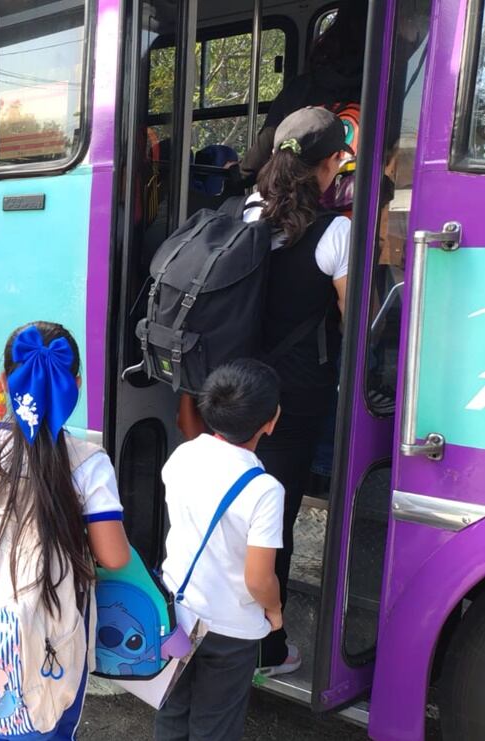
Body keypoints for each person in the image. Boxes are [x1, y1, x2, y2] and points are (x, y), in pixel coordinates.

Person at [0, 321, 131, 740]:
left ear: (4, 381)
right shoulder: (89, 463)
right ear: (75, 385)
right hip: (49, 631)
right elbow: (114, 557)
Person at [243, 106, 353, 676]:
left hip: (237, 388)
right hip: (296, 396)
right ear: (331, 162)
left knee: (234, 508)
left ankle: (218, 627)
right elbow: (356, 320)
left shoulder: (245, 215)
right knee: (274, 520)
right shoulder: (336, 231)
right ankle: (266, 646)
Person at [154, 359, 285, 741]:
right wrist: (275, 609)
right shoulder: (265, 490)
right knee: (215, 727)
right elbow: (259, 579)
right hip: (231, 631)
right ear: (271, 422)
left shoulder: (183, 456)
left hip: (177, 614)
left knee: (171, 712)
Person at [237, 0, 368, 185]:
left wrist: (235, 174)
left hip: (298, 198)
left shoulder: (300, 89)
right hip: (357, 199)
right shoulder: (388, 92)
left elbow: (256, 162)